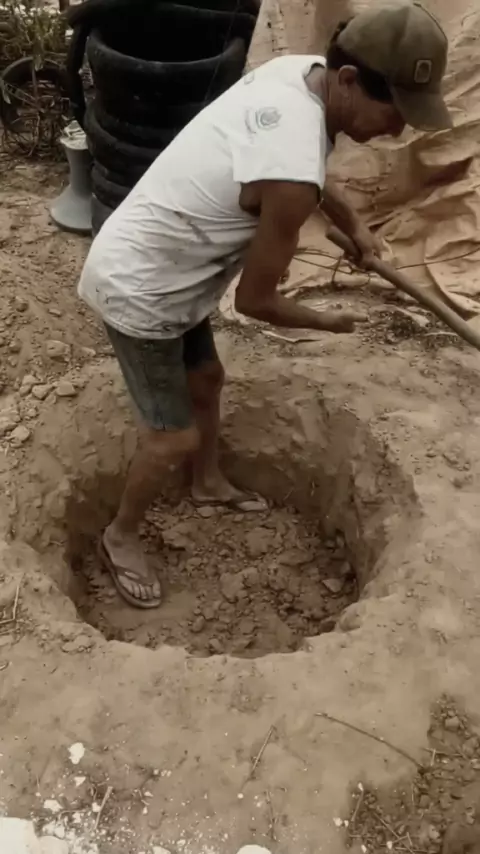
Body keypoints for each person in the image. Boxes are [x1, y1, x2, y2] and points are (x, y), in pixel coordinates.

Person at [78, 0, 451, 609]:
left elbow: (303, 166)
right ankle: (119, 537)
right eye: (396, 112)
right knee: (170, 438)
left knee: (206, 377)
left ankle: (206, 482)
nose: (398, 131)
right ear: (349, 80)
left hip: (172, 268)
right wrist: (330, 321)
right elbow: (256, 302)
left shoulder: (299, 74)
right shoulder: (293, 174)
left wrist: (355, 225)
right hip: (141, 289)